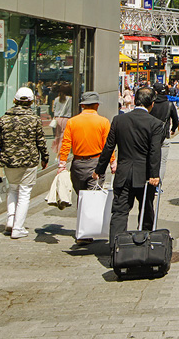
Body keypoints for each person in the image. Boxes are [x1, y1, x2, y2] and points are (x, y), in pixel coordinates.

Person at [94, 86, 162, 248]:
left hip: (123, 174)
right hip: (145, 176)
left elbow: (108, 147)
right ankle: (146, 246)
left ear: (135, 100)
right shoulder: (155, 124)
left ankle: (115, 250)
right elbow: (154, 151)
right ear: (152, 103)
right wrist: (154, 174)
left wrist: (99, 170)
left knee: (119, 212)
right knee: (146, 210)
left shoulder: (119, 120)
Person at [58, 91, 116, 244]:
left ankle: (83, 231)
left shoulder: (72, 122)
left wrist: (62, 162)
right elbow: (107, 145)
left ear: (82, 105)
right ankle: (86, 231)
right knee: (92, 197)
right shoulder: (103, 122)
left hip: (77, 164)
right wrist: (112, 162)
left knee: (82, 197)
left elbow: (66, 144)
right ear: (97, 105)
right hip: (96, 163)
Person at [0, 87, 48, 239]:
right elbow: (41, 141)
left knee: (12, 189)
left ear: (14, 100)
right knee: (24, 193)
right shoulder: (34, 119)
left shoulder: (4, 118)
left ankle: (10, 220)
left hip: (8, 160)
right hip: (29, 161)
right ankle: (18, 228)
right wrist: (45, 157)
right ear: (31, 102)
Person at [147, 82, 179, 181]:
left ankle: (150, 179)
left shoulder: (150, 104)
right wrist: (173, 129)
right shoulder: (169, 104)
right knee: (162, 161)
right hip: (164, 135)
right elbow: (175, 120)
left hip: (150, 136)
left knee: (150, 158)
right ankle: (158, 182)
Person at [50, 82, 73, 153]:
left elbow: (53, 108)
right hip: (66, 119)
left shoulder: (57, 99)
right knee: (64, 137)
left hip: (57, 119)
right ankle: (61, 153)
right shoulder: (71, 99)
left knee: (57, 136)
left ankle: (56, 150)